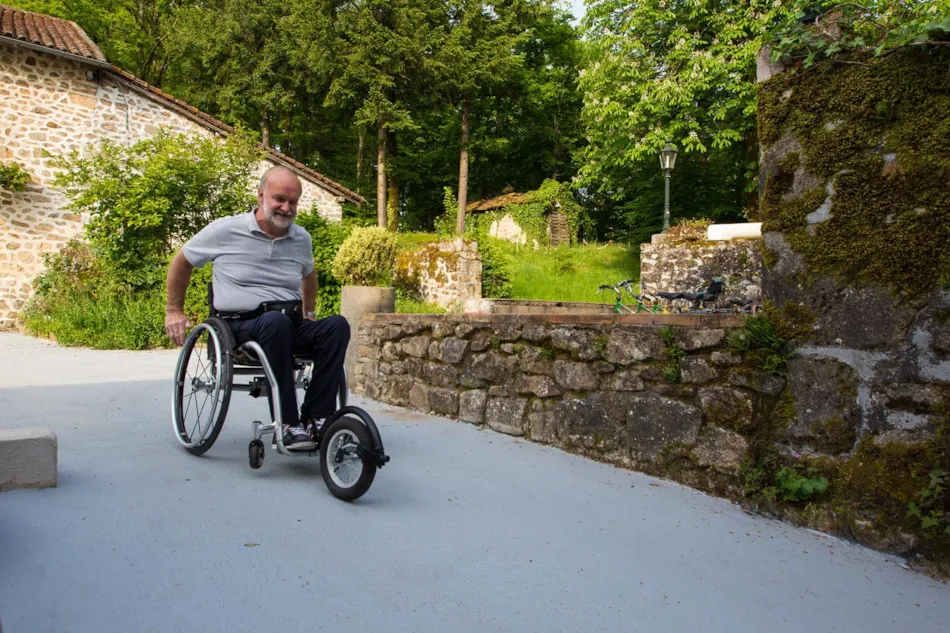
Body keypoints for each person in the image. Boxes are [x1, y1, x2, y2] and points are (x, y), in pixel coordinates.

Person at [164, 166, 349, 451]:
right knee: (275, 322)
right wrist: (174, 310)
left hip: (288, 321)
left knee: (337, 326)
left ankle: (316, 417)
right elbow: (182, 261)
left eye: (293, 202)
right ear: (261, 195)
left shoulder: (301, 238)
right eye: (279, 199)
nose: (286, 208)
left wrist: (310, 313)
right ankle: (287, 424)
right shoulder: (226, 230)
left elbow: (309, 274)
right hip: (241, 325)